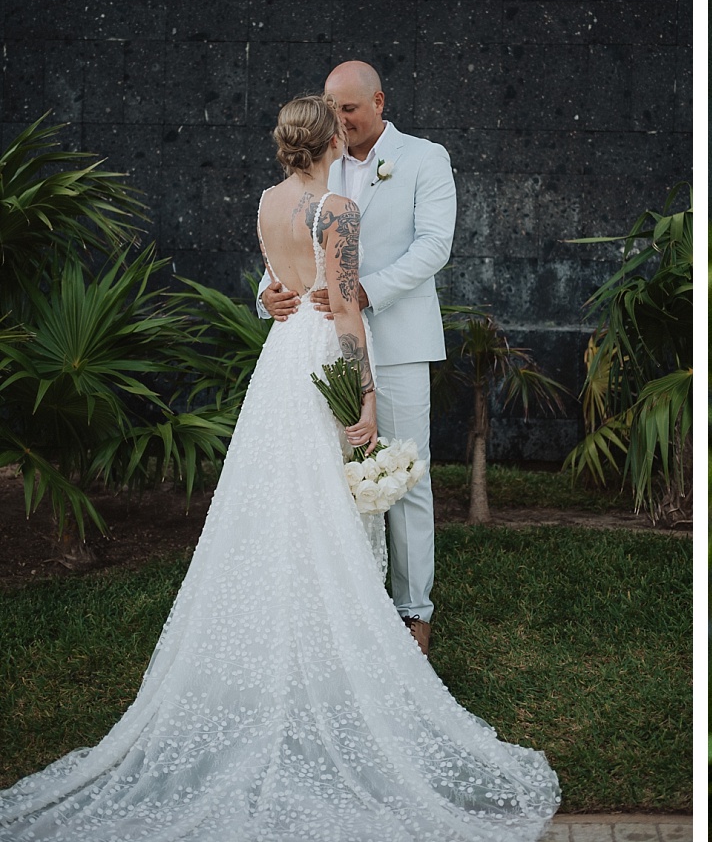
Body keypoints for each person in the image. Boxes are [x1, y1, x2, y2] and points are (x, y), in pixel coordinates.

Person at [0, 95, 560, 840]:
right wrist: (363, 394)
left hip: (279, 367)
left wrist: (278, 295)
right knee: (331, 507)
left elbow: (279, 279)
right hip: (324, 352)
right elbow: (346, 311)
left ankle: (296, 657)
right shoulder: (336, 209)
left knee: (280, 506)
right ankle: (337, 664)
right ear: (330, 138)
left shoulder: (267, 200)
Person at [261, 60, 454, 657]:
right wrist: (265, 296)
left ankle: (413, 612)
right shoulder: (317, 159)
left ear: (378, 101)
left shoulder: (424, 158)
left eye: (347, 108)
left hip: (395, 341)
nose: (337, 119)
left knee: (402, 476)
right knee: (324, 480)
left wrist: (366, 292)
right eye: (330, 107)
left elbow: (434, 246)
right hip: (321, 346)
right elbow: (289, 243)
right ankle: (343, 607)